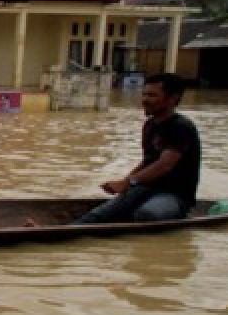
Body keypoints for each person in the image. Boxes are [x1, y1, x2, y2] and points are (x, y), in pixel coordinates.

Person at [71, 72, 201, 224]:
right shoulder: (150, 125)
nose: (145, 100)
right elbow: (148, 161)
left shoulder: (180, 127)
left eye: (152, 95)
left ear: (172, 99)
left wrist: (127, 183)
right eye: (144, 95)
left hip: (173, 195)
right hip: (144, 190)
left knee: (147, 214)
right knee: (96, 216)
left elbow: (164, 166)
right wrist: (125, 182)